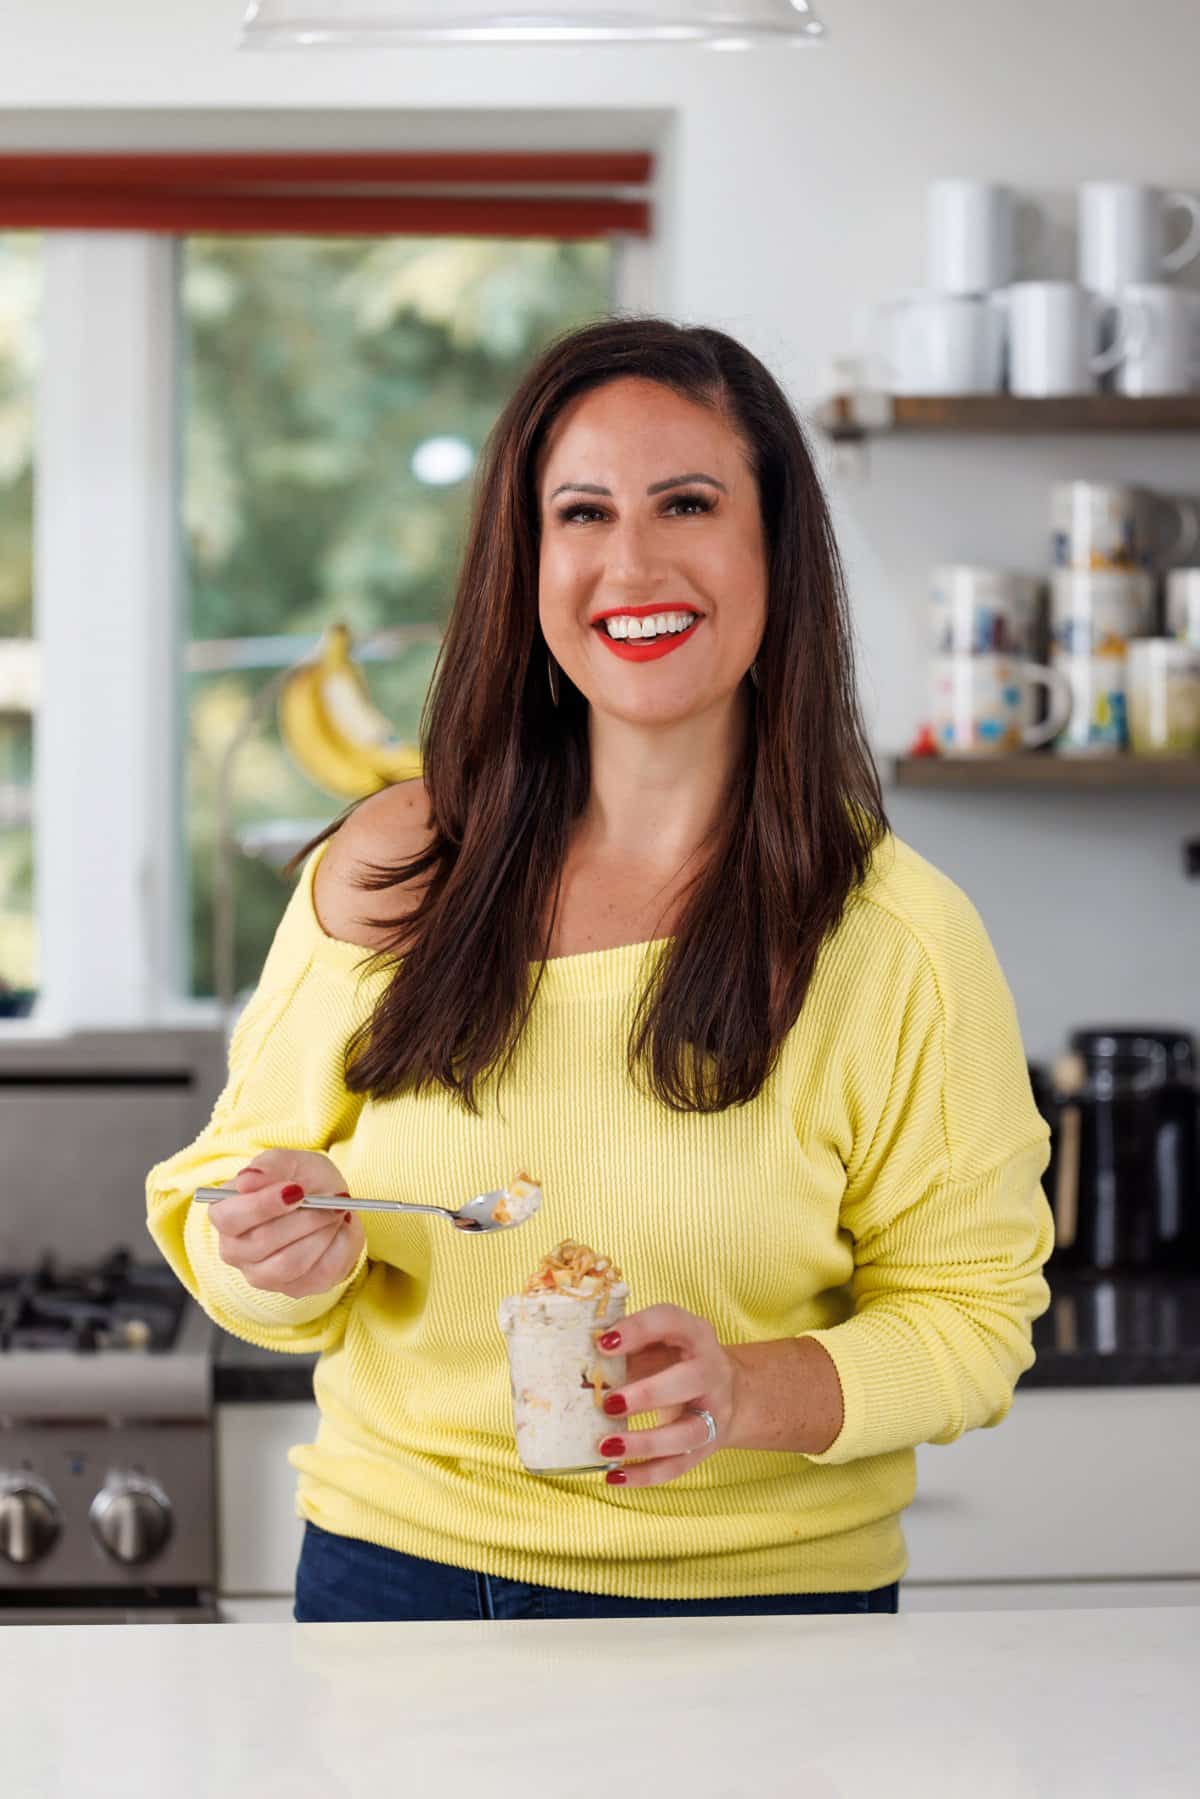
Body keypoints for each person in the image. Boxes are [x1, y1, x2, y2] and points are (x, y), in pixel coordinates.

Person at [147, 316, 1054, 1623]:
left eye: (686, 503)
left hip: (762, 1627)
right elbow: (221, 1197)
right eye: (582, 513)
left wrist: (746, 1392)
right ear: (530, 563)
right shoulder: (395, 866)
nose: (631, 560)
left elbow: (971, 1321)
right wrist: (281, 1252)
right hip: (399, 1593)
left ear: (773, 549)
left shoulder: (896, 938)